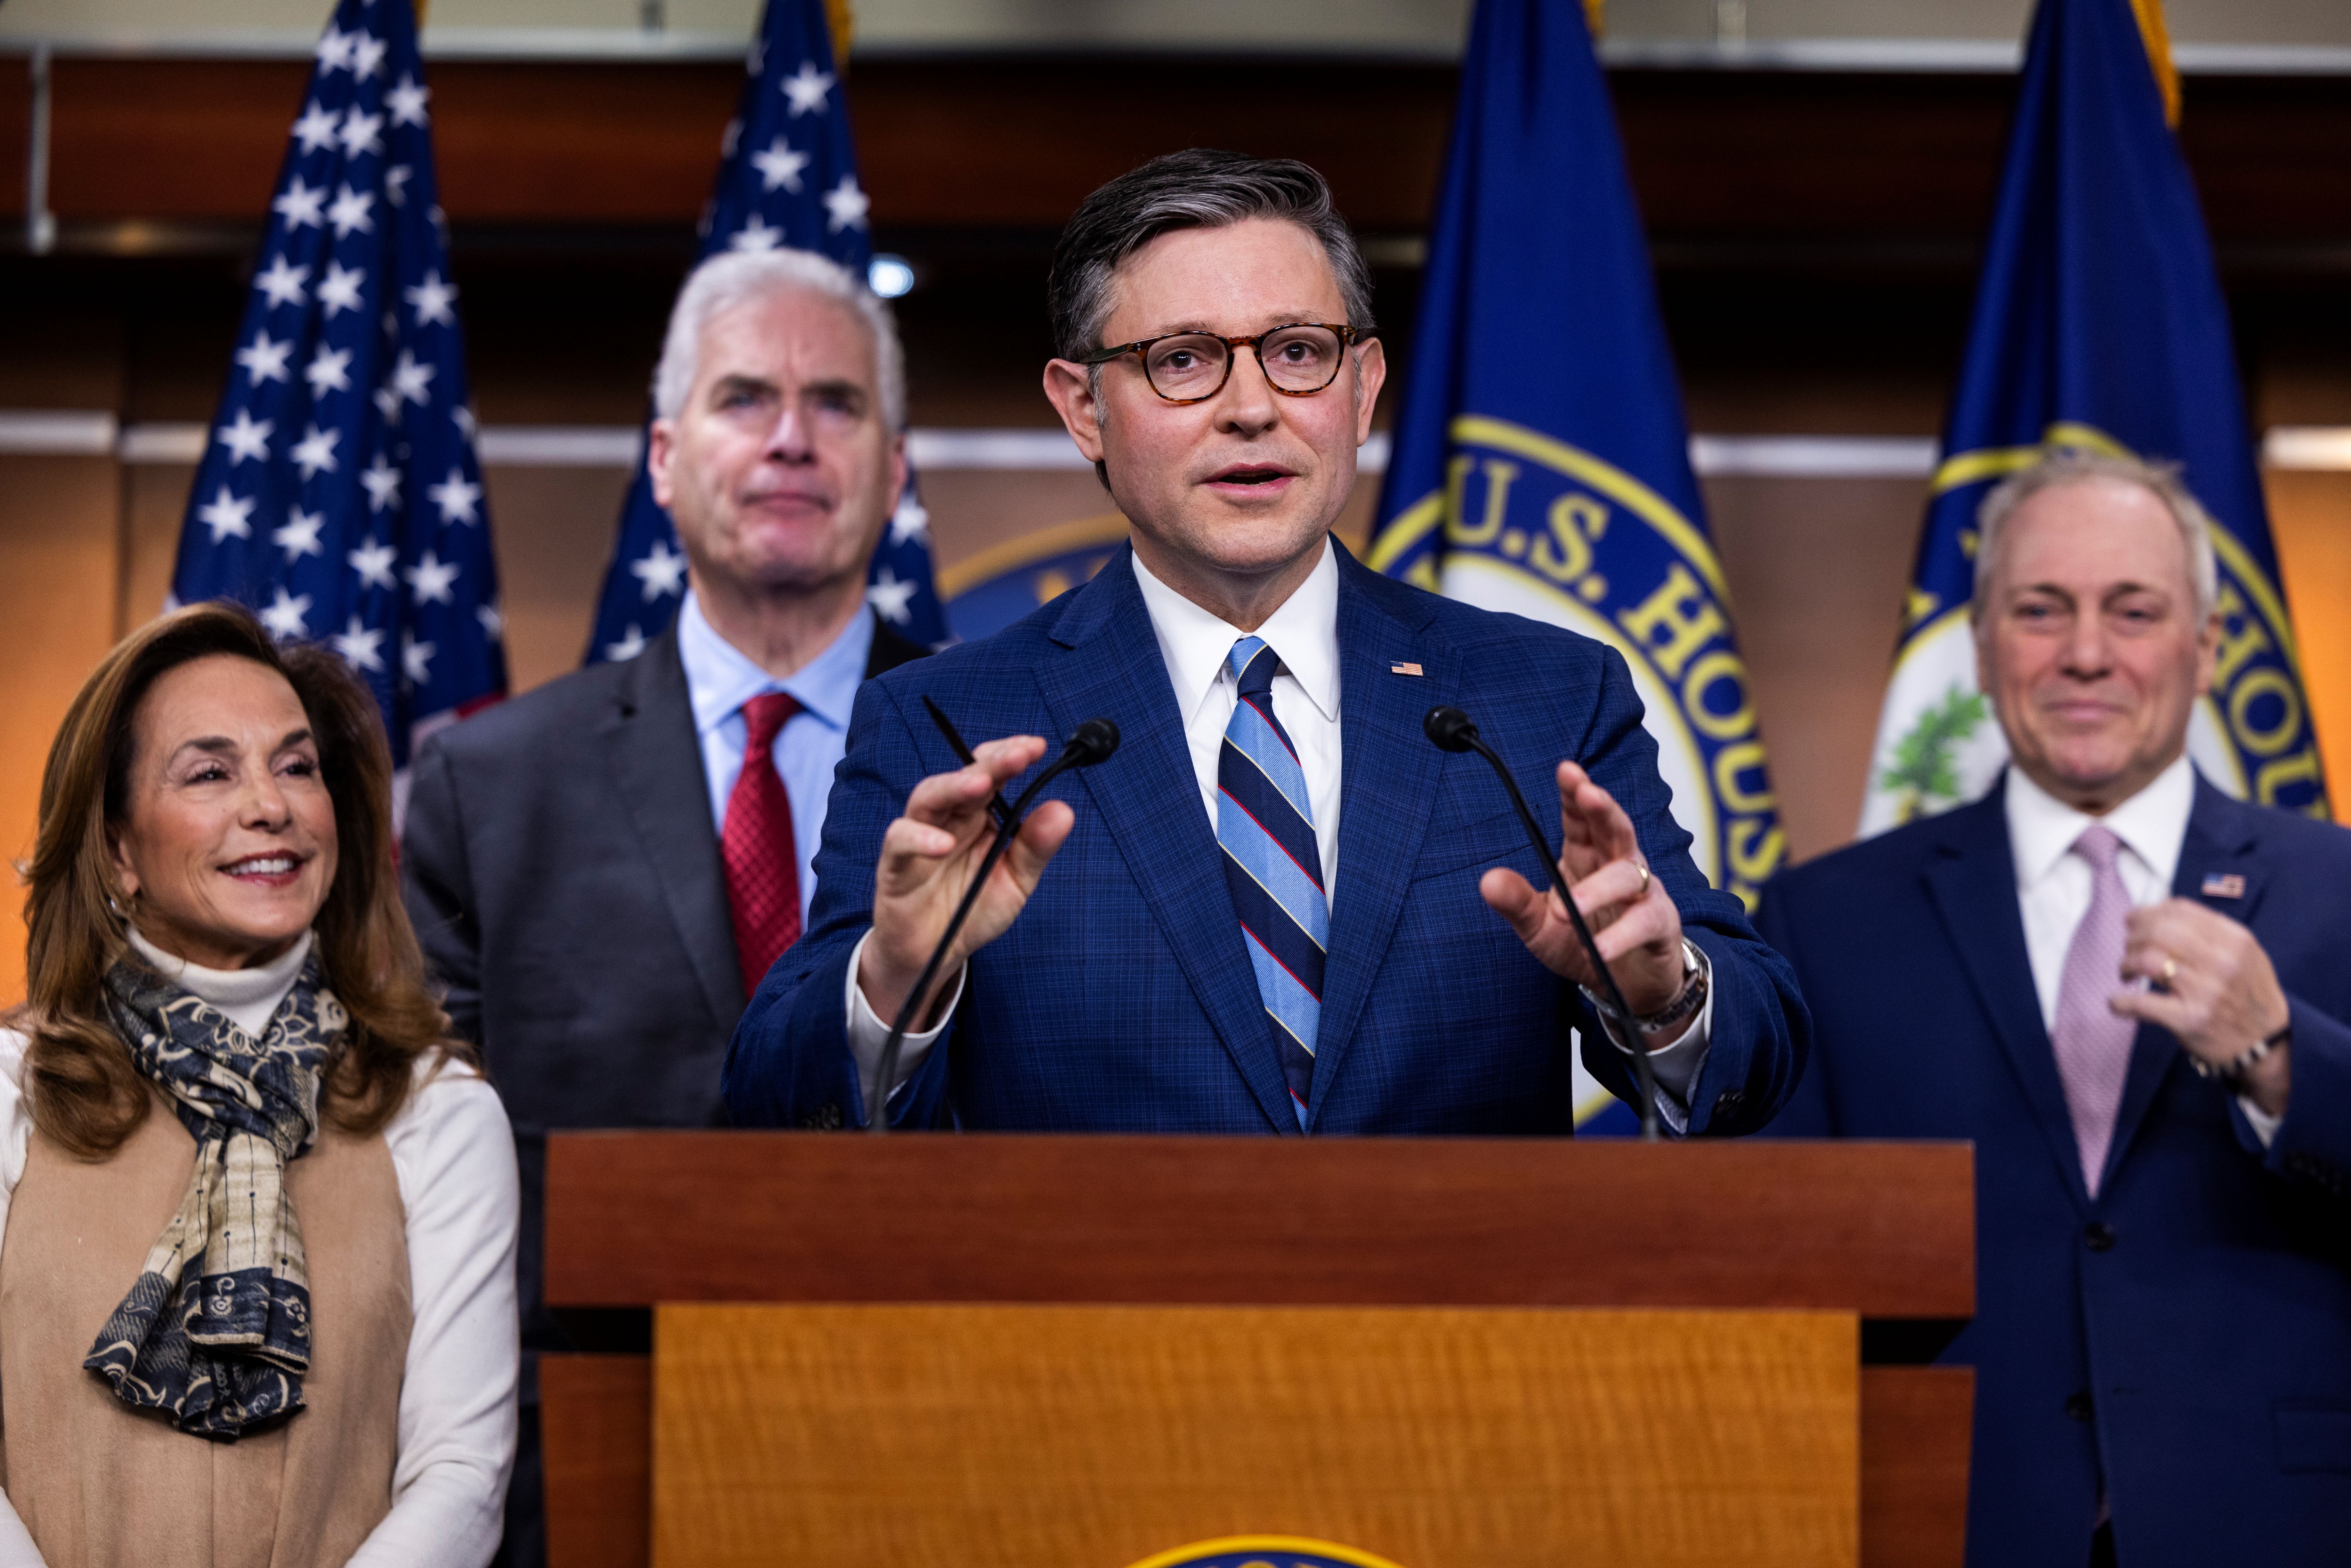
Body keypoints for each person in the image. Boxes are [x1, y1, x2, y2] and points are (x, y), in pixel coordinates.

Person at [723, 150, 1807, 1136]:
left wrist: (1666, 996)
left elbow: (1761, 1055)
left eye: (1297, 352)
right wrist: (893, 981)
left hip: (1464, 1345)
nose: (1252, 408)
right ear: (1084, 407)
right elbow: (776, 1099)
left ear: (1364, 386)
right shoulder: (947, 724)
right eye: (1183, 360)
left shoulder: (1540, 700)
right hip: (1090, 1348)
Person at [398, 246, 926, 1563]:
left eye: (838, 404)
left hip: (941, 1437)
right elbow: (424, 1179)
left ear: (897, 467)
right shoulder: (489, 782)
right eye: (746, 398)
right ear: (663, 458)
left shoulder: (1031, 758)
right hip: (577, 1466)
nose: (793, 440)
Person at [1757, 452, 2351, 1568]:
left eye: (2134, 611)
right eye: (2042, 610)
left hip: (2277, 1522)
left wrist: (2282, 1060)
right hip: (1944, 1522)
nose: (2087, 653)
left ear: (2207, 647)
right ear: (1982, 648)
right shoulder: (1823, 917)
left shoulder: (2342, 892)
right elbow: (1780, 1271)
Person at [0, 602, 517, 1567]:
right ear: (117, 850)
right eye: (210, 771)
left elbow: (461, 1477)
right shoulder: (10, 1089)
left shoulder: (440, 1108)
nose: (269, 805)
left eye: (295, 766)